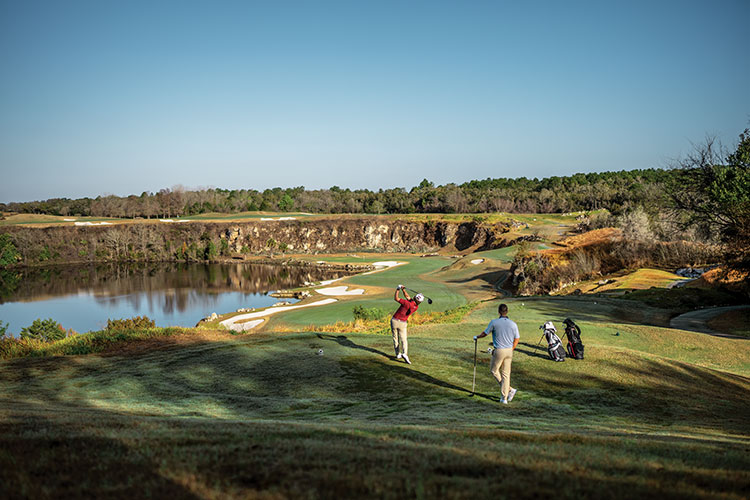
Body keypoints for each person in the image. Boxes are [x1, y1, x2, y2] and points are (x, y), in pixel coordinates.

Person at [474, 303, 520, 404]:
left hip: (499, 350)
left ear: (499, 312)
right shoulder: (513, 324)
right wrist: (512, 349)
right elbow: (517, 338)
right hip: (509, 351)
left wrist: (477, 337)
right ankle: (505, 398)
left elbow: (485, 333)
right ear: (507, 311)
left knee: (494, 370)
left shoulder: (494, 322)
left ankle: (509, 391)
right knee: (506, 374)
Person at [391, 284, 424, 364]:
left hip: (395, 320)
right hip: (403, 323)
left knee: (396, 338)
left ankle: (398, 354)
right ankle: (405, 354)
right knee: (404, 340)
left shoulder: (406, 303)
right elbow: (408, 297)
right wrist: (403, 290)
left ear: (415, 298)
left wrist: (398, 289)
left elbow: (396, 298)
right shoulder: (416, 307)